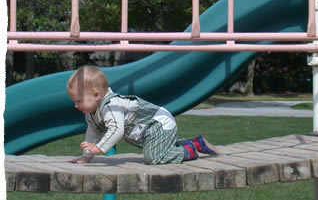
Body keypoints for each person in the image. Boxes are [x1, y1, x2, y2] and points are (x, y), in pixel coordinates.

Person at [66, 65, 218, 165]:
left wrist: (99, 148)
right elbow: (92, 134)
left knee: (153, 158)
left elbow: (116, 130)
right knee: (155, 149)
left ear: (97, 95)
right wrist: (86, 157)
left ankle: (190, 150)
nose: (75, 105)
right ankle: (196, 142)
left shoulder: (111, 107)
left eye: (79, 101)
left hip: (158, 123)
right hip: (149, 130)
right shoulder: (91, 113)